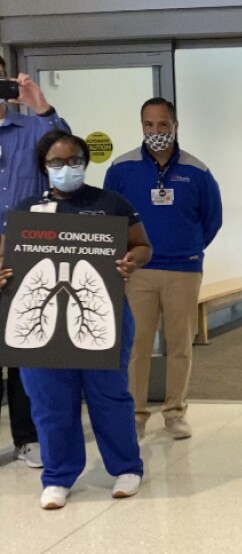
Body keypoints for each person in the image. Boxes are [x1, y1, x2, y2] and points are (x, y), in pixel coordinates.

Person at [1, 131, 151, 509]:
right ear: (43, 166)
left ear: (85, 162)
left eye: (73, 161)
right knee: (50, 400)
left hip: (103, 314)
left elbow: (143, 246)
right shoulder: (26, 209)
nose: (65, 169)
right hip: (42, 321)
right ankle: (58, 475)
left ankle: (126, 467)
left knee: (109, 396)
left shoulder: (110, 203)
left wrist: (132, 260)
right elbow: (6, 257)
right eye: (56, 162)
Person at [104, 97, 223, 441]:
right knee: (137, 345)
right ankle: (136, 415)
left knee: (179, 345)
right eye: (148, 125)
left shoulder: (196, 171)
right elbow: (111, 218)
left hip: (183, 270)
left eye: (162, 124)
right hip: (138, 272)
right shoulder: (121, 169)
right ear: (141, 126)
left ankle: (175, 412)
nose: (155, 131)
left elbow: (212, 219)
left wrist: (190, 248)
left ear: (175, 126)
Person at [0, 56, 70, 469]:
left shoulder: (33, 130)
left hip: (24, 258)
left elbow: (68, 157)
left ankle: (28, 438)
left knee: (24, 351)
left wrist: (41, 106)